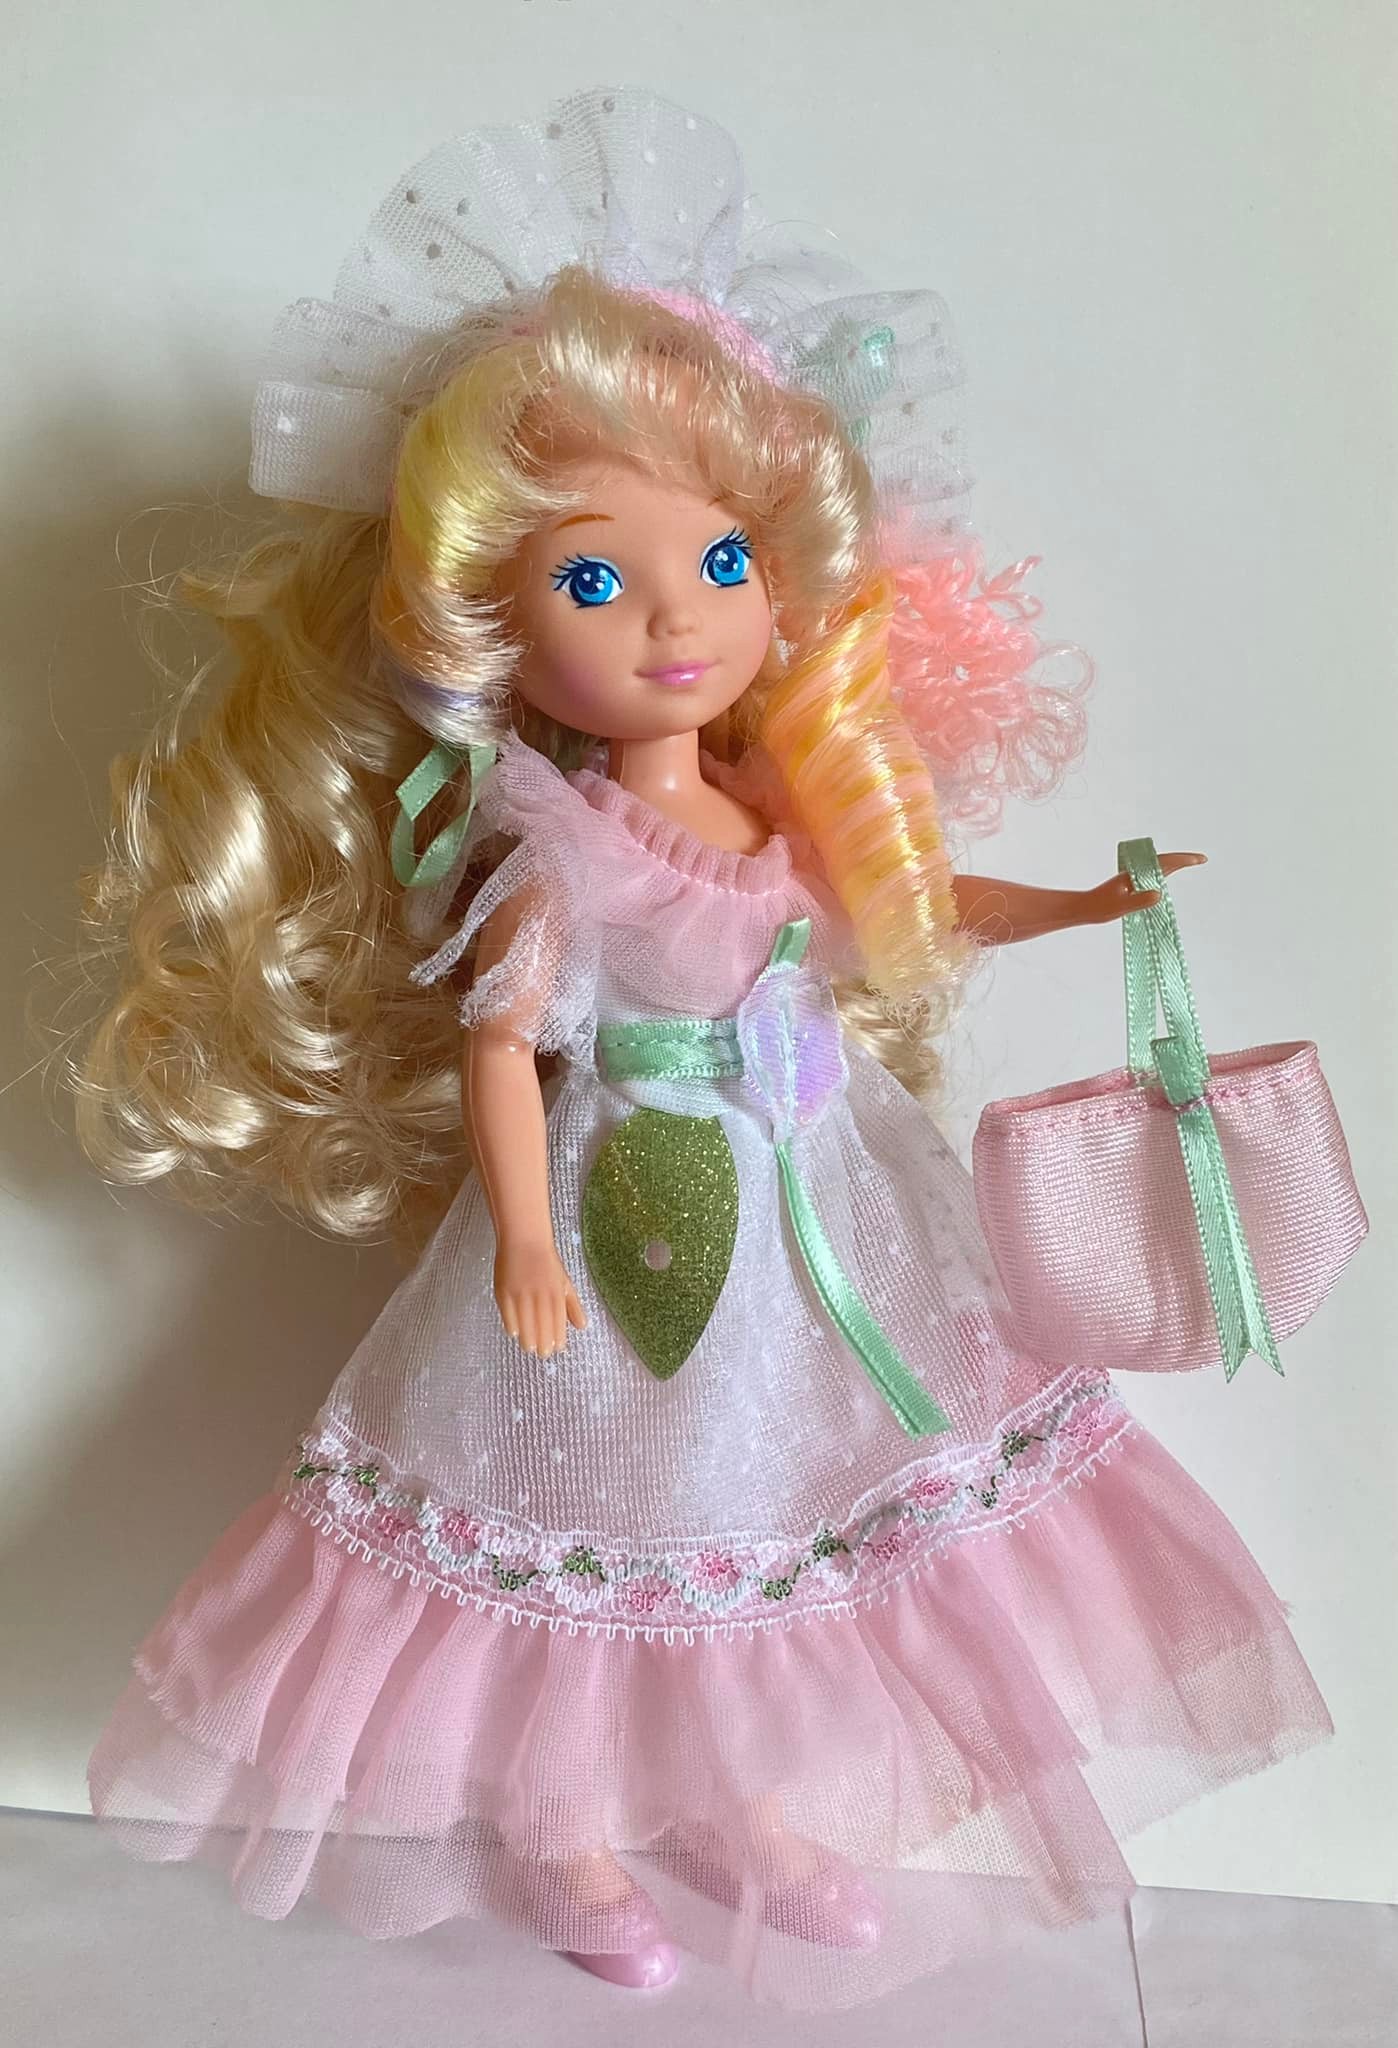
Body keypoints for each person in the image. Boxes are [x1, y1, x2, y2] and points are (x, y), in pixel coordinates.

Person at [76, 89, 1331, 2010]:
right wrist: (520, 1233)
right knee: (616, 1501)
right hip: (629, 1211)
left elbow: (909, 904)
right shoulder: (557, 853)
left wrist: (1084, 906)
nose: (676, 622)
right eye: (594, 582)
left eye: (719, 564)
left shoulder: (777, 806)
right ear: (492, 627)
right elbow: (505, 1049)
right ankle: (566, 1826)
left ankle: (745, 1806)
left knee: (776, 1498)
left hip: (829, 1210)